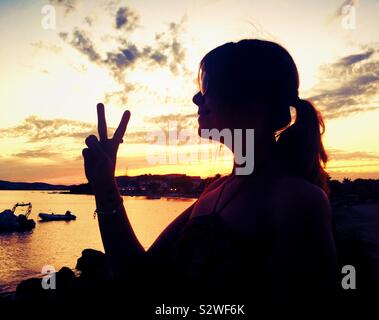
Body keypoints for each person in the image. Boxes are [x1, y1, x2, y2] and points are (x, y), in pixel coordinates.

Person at [82, 39, 337, 306]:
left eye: (207, 87)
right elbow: (140, 278)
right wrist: (104, 187)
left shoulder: (299, 201)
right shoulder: (216, 190)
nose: (196, 98)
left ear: (252, 100)